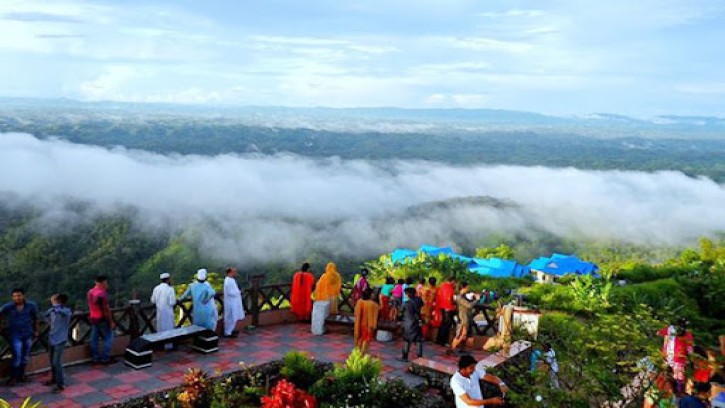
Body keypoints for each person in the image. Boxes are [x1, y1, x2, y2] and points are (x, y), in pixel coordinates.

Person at [0, 288, 39, 386]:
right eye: (15, 296)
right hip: (15, 334)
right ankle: (14, 377)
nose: (17, 298)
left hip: (27, 333)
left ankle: (22, 375)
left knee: (25, 356)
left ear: (23, 296)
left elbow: (35, 318)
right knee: (17, 356)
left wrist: (36, 330)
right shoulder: (8, 307)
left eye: (19, 296)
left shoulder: (31, 306)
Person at [43, 294, 71, 392]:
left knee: (57, 362)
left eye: (53, 299)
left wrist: (56, 307)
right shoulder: (52, 311)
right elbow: (44, 316)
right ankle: (54, 379)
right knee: (52, 361)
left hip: (61, 339)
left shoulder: (66, 311)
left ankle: (61, 385)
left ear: (58, 301)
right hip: (52, 338)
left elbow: (63, 312)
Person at [658, 319, 694, 394]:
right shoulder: (672, 330)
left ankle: (677, 394)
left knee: (675, 378)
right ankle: (673, 393)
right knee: (672, 378)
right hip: (672, 359)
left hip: (675, 359)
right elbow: (690, 350)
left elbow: (690, 350)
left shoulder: (671, 330)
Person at [87, 276, 116, 365]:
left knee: (94, 339)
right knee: (109, 337)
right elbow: (106, 310)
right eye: (106, 283)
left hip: (93, 318)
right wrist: (111, 321)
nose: (107, 285)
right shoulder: (102, 294)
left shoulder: (90, 292)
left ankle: (95, 358)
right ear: (101, 283)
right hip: (102, 319)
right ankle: (105, 358)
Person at [448, 282, 479, 356]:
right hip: (463, 319)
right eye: (467, 287)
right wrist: (477, 300)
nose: (468, 289)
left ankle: (463, 349)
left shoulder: (463, 297)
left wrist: (474, 298)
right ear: (463, 288)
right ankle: (451, 349)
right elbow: (469, 305)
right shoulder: (459, 297)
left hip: (466, 318)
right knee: (461, 335)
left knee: (465, 335)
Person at [150, 272, 176, 349]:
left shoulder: (156, 288)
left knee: (160, 328)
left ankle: (160, 345)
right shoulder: (170, 289)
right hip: (168, 313)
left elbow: (153, 300)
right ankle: (168, 346)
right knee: (169, 329)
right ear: (168, 280)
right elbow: (172, 302)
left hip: (159, 312)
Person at [398, 287, 424, 362]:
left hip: (408, 323)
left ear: (407, 295)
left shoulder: (406, 303)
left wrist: (399, 320)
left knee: (407, 340)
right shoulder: (419, 300)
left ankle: (405, 357)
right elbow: (422, 306)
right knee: (418, 340)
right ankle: (420, 357)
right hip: (417, 322)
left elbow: (400, 313)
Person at [353, 288, 379, 354]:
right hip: (368, 325)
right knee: (366, 339)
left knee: (360, 338)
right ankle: (363, 353)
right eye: (373, 293)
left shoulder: (359, 301)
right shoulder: (373, 304)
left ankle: (357, 351)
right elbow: (378, 311)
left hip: (359, 324)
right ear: (370, 295)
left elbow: (355, 312)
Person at [223, 268, 246, 337]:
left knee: (233, 317)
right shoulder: (227, 281)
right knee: (231, 317)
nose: (235, 273)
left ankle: (231, 330)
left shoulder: (231, 280)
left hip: (234, 302)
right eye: (234, 272)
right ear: (230, 272)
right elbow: (230, 292)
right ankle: (228, 332)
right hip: (231, 302)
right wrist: (239, 292)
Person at [435, 276, 457, 346]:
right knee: (447, 325)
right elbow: (450, 298)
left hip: (442, 306)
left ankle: (439, 340)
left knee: (443, 324)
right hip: (448, 308)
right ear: (453, 281)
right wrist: (453, 305)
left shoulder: (441, 286)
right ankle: (443, 341)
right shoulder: (449, 287)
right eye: (455, 282)